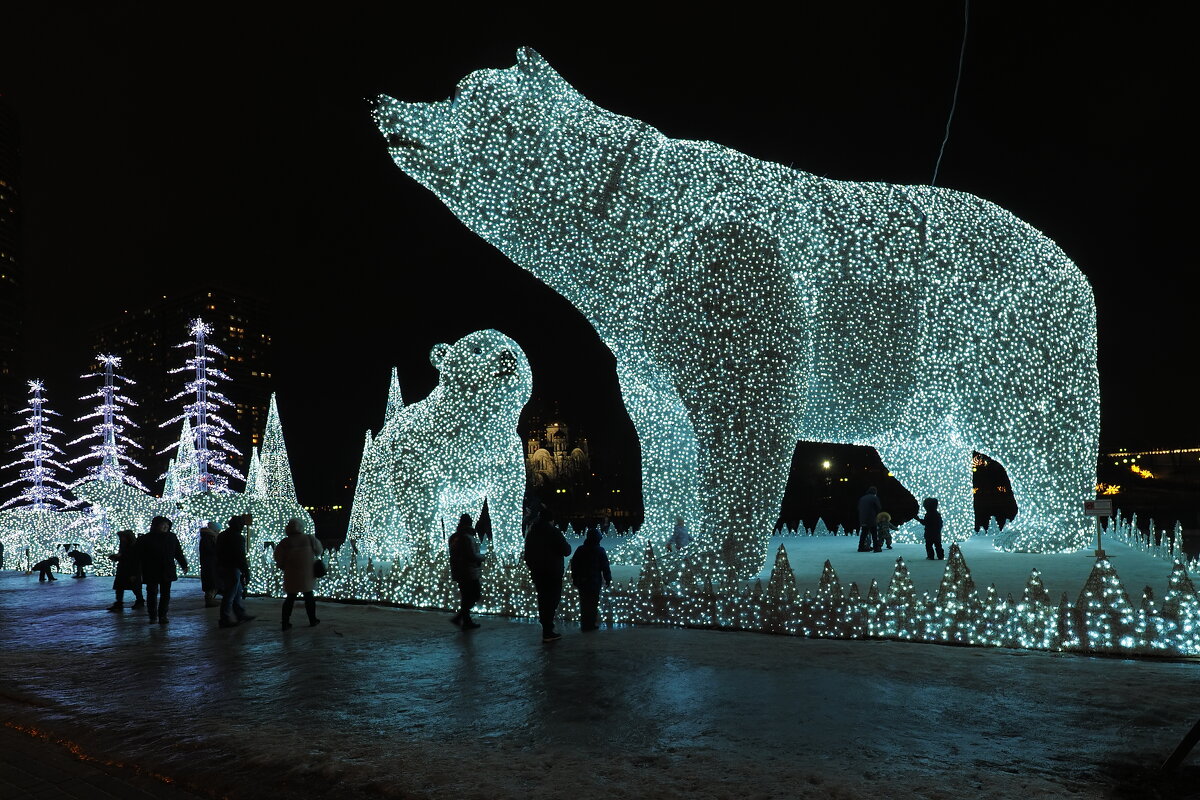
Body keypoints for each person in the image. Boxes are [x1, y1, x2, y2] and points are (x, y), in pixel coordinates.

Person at [522, 503, 571, 642]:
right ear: (551, 520)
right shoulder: (553, 532)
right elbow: (566, 550)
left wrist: (534, 566)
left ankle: (546, 627)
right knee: (552, 600)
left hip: (538, 573)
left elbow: (527, 555)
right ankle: (548, 631)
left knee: (543, 599)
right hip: (552, 572)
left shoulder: (532, 533)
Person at [273, 517, 324, 631]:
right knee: (309, 597)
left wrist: (283, 565)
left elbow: (278, 557)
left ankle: (285, 622)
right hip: (307, 574)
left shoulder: (285, 542)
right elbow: (319, 551)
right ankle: (312, 619)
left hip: (291, 574)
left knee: (290, 598)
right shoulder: (309, 539)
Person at [138, 516, 188, 625]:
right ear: (156, 525)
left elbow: (178, 552)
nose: (166, 526)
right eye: (163, 524)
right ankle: (152, 615)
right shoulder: (145, 538)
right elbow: (139, 556)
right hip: (151, 569)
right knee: (152, 593)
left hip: (167, 569)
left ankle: (163, 615)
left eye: (167, 524)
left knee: (165, 593)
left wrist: (184, 564)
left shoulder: (172, 537)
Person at [570, 523, 612, 631]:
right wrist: (608, 578)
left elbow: (574, 565)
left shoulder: (580, 549)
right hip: (594, 581)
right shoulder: (600, 550)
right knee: (593, 603)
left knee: (584, 603)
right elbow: (605, 566)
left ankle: (585, 624)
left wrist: (575, 578)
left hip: (583, 581)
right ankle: (591, 624)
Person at [217, 513, 256, 628]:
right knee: (230, 593)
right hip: (232, 567)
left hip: (223, 566)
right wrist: (246, 571)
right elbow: (240, 556)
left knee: (236, 591)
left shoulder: (223, 535)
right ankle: (225, 618)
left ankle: (240, 613)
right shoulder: (237, 537)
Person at [448, 513, 483, 630]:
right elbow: (470, 555)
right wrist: (482, 557)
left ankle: (464, 620)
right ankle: (460, 617)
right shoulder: (467, 537)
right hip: (468, 571)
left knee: (466, 596)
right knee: (474, 595)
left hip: (458, 570)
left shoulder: (454, 537)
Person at [106, 530, 144, 611]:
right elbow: (123, 556)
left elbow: (135, 560)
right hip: (123, 569)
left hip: (132, 569)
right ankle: (119, 603)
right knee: (120, 587)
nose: (121, 539)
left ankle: (140, 601)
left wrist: (134, 573)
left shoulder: (134, 546)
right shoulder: (124, 545)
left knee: (135, 587)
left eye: (122, 537)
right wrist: (116, 557)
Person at [199, 521, 221, 608]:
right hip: (211, 563)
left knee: (212, 582)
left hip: (210, 563)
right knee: (212, 582)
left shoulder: (208, 537)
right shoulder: (209, 538)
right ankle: (210, 600)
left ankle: (210, 599)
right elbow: (211, 551)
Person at [857, 487, 882, 552]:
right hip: (871, 518)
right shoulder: (874, 498)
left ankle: (860, 547)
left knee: (864, 533)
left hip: (863, 519)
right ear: (875, 492)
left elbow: (859, 508)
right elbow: (878, 508)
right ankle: (876, 548)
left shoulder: (862, 498)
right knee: (874, 533)